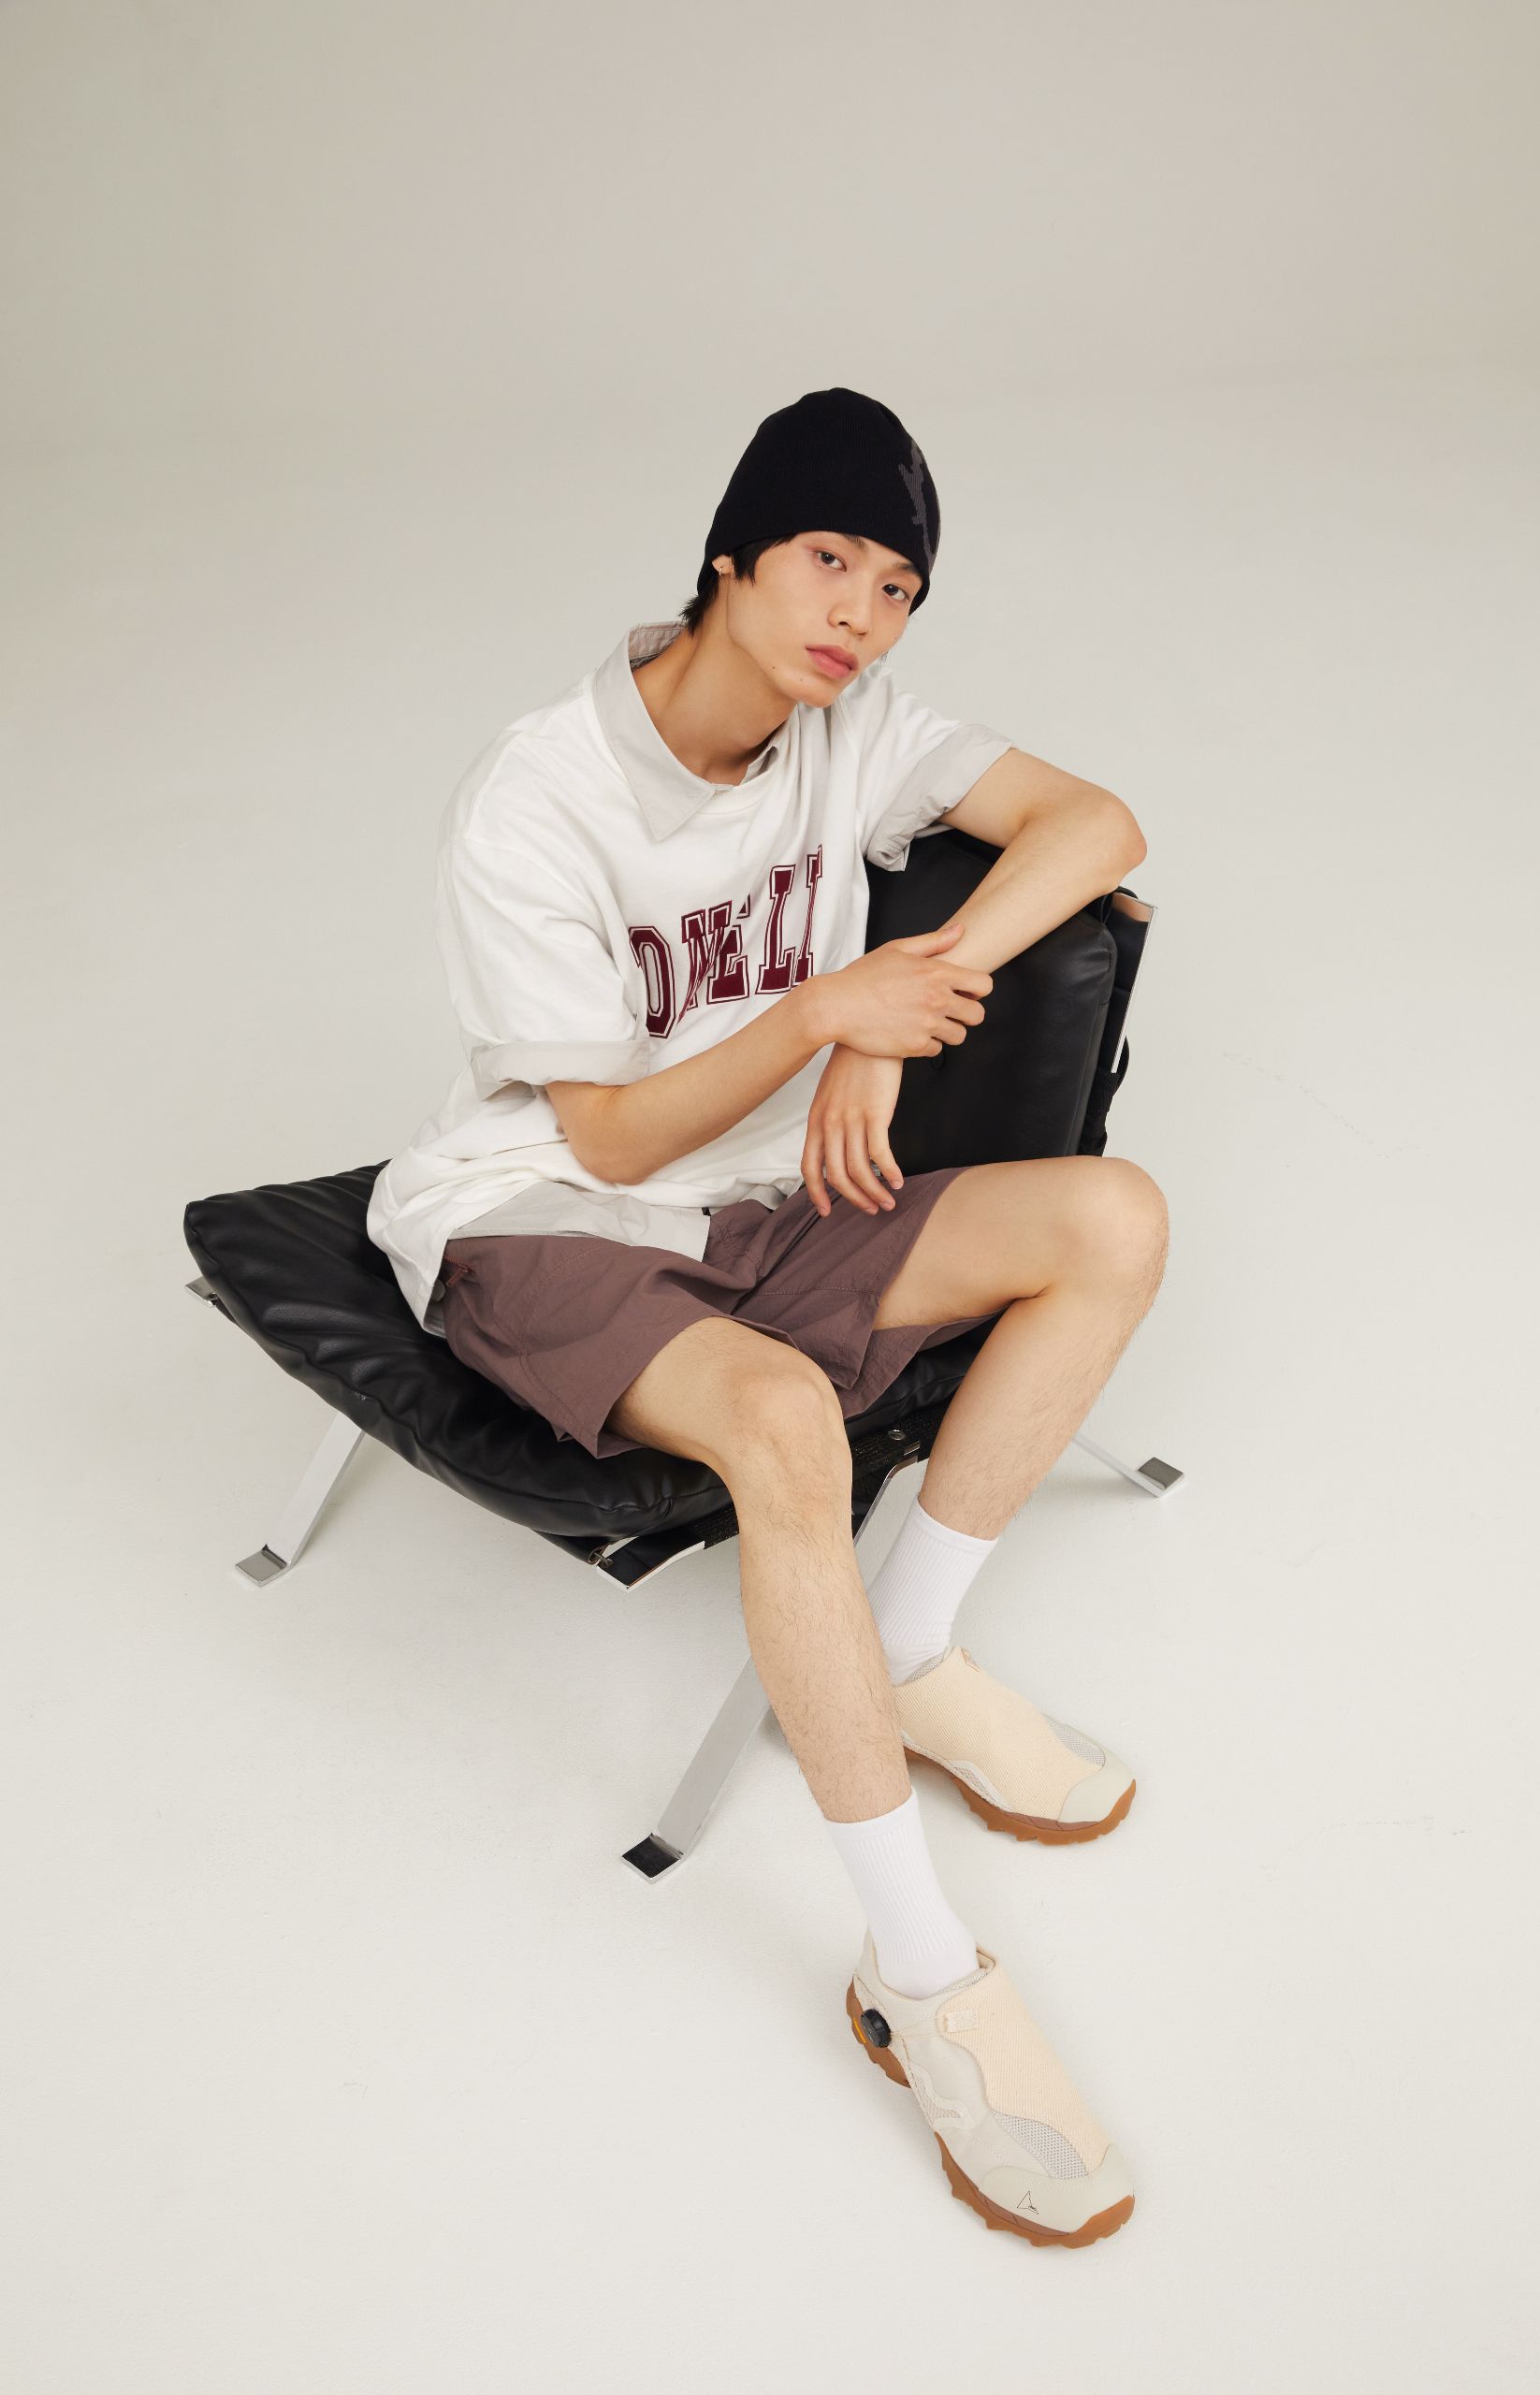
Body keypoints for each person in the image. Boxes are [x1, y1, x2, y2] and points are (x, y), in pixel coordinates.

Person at [368, 386, 1166, 2247]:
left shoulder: (851, 730)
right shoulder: (537, 791)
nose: (860, 618)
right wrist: (823, 1015)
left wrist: (911, 989)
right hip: (544, 1219)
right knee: (789, 1427)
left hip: (766, 1206)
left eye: (898, 590)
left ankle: (913, 1647)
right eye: (829, 561)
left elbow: (1099, 821)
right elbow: (607, 1134)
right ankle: (921, 1974)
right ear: (729, 555)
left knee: (1111, 1218)